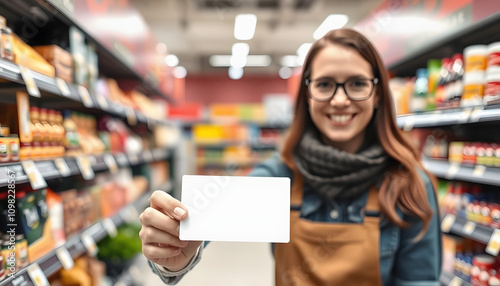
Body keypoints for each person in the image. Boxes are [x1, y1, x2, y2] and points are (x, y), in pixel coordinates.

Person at [139, 28, 442, 285]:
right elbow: (211, 220)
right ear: (307, 95)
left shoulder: (410, 186)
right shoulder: (282, 172)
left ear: (377, 94)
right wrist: (175, 248)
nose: (339, 99)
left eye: (357, 84)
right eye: (325, 85)